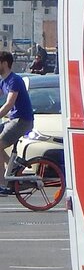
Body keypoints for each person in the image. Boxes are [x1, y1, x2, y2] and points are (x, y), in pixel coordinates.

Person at [0, 51, 34, 196]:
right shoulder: (3, 81)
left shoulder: (15, 80)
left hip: (22, 120)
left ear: (5, 63)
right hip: (13, 119)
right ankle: (13, 166)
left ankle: (2, 184)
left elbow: (9, 104)